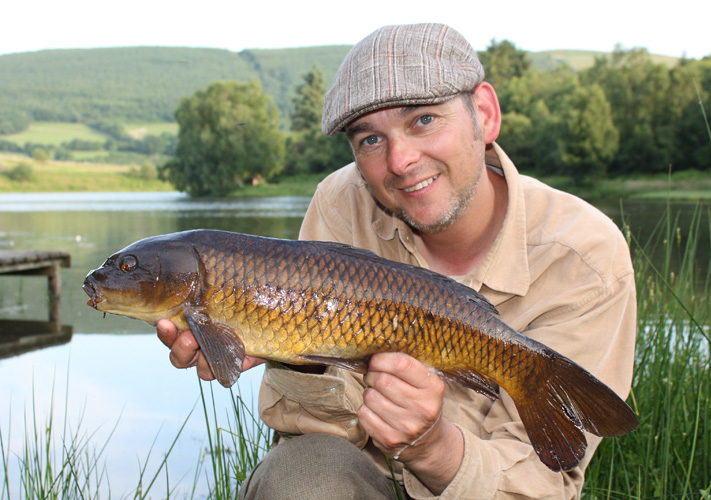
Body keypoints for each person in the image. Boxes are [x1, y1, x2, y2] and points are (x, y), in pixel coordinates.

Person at [157, 23, 636, 499]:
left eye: (423, 119)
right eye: (369, 139)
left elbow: (542, 485)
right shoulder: (341, 201)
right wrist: (290, 351)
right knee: (302, 476)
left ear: (484, 114)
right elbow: (310, 436)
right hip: (367, 480)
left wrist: (432, 447)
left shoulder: (585, 256)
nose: (400, 160)